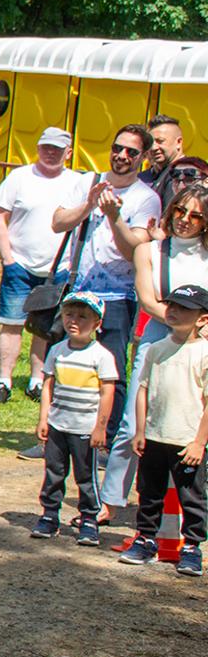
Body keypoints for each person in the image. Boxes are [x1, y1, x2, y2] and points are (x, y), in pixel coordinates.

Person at [97, 186, 208, 527]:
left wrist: (200, 332)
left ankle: (191, 510)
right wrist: (183, 325)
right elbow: (147, 299)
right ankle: (112, 501)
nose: (185, 220)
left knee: (194, 421)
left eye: (195, 216)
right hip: (161, 333)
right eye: (180, 211)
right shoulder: (150, 250)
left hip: (204, 338)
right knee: (134, 422)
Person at [54, 124, 161, 436]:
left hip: (118, 295)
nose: (122, 155)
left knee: (111, 371)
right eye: (118, 148)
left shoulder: (145, 198)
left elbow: (134, 252)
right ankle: (63, 430)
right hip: (79, 289)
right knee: (69, 362)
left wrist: (115, 217)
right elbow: (58, 223)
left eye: (131, 151)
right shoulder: (88, 182)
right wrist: (89, 204)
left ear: (142, 158)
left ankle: (109, 436)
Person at [0, 128, 87, 405]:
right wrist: (8, 258)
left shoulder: (77, 182)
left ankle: (37, 380)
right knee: (11, 323)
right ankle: (4, 381)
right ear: (38, 147)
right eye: (46, 147)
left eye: (57, 148)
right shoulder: (19, 177)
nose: (50, 152)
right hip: (20, 264)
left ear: (68, 152)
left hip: (59, 267)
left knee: (44, 327)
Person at [122, 284, 208, 576]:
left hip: (186, 441)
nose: (174, 311)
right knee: (149, 493)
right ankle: (145, 539)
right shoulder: (156, 349)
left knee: (192, 497)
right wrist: (140, 431)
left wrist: (199, 442)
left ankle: (192, 547)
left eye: (184, 308)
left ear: (202, 319)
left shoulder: (204, 352)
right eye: (171, 305)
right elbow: (143, 390)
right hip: (155, 436)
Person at [32, 292, 117, 541]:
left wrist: (100, 427)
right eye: (69, 314)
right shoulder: (57, 350)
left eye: (83, 317)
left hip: (85, 427)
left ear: (97, 324)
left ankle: (90, 518)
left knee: (85, 475)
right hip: (59, 424)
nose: (74, 321)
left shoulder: (101, 356)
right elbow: (48, 385)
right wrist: (43, 418)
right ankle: (49, 514)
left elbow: (107, 392)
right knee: (54, 471)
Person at [145, 114, 186, 208]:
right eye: (150, 142)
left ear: (178, 142)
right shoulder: (145, 177)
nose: (153, 147)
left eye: (160, 141)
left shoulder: (186, 175)